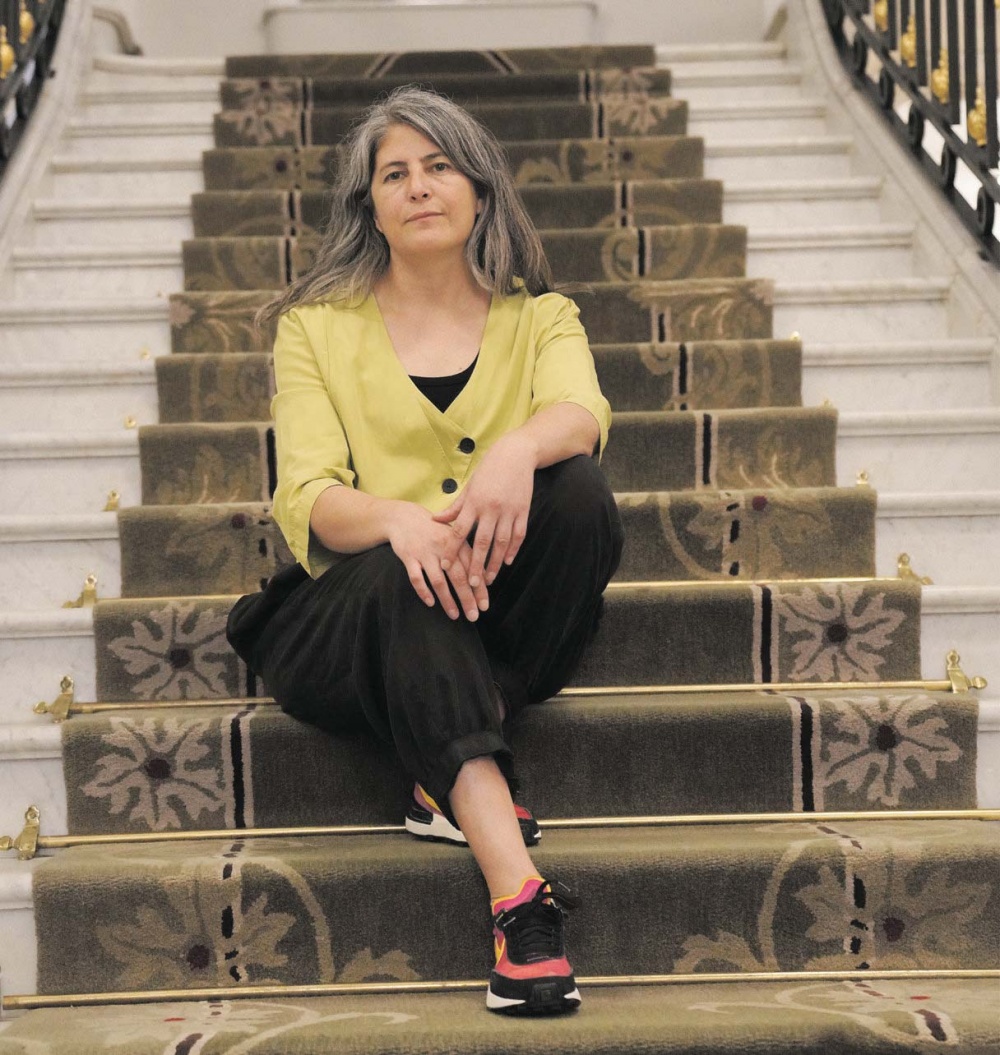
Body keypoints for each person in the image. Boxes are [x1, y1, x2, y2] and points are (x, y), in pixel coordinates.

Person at [227, 86, 623, 1016]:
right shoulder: (315, 328)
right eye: (394, 174)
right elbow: (308, 496)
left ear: (480, 191)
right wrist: (400, 521)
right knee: (410, 570)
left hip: (487, 613)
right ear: (370, 207)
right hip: (353, 617)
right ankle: (520, 899)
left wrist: (515, 451)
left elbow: (582, 411)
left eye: (440, 166)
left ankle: (448, 749)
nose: (418, 186)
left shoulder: (542, 316)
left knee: (580, 493)